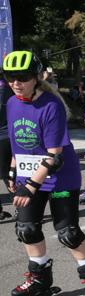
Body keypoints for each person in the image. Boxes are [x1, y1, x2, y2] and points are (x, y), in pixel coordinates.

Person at [3, 51, 85, 296]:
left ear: (36, 78)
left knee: (67, 232)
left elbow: (54, 157)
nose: (16, 83)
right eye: (10, 77)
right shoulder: (12, 103)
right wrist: (14, 171)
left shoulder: (51, 106)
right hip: (30, 175)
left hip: (59, 176)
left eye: (23, 78)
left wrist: (30, 185)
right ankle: (40, 278)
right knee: (26, 228)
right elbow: (19, 143)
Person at [0, 72, 14, 220]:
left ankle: (21, 209)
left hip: (4, 136)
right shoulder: (5, 86)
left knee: (7, 175)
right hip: (5, 135)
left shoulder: (4, 87)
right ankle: (21, 209)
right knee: (7, 175)